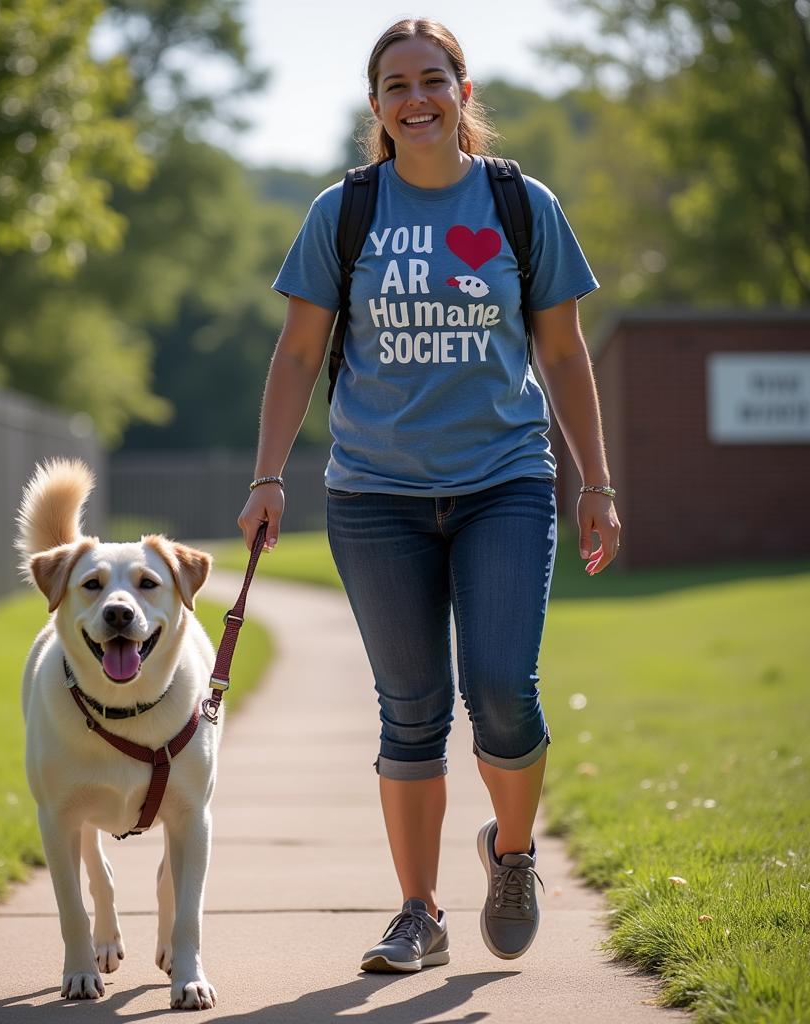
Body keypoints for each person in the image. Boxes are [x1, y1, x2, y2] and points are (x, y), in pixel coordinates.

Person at [237, 17, 621, 974]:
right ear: (376, 106)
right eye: (397, 84)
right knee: (409, 710)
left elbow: (564, 352)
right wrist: (268, 475)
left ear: (463, 90)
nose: (417, 98)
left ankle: (515, 852)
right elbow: (295, 352)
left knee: (500, 688)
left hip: (504, 482)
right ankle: (418, 912)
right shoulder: (345, 211)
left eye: (434, 79)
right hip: (374, 495)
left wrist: (597, 485)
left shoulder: (520, 204)